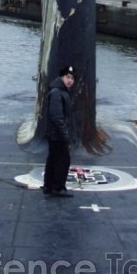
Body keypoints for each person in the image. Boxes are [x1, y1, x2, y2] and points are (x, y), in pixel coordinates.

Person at [42, 65, 76, 197]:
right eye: (68, 77)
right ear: (62, 77)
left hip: (55, 134)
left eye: (72, 78)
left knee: (53, 159)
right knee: (63, 160)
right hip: (57, 134)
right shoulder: (57, 92)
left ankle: (48, 186)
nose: (70, 80)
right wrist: (65, 134)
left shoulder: (61, 91)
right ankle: (58, 187)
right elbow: (56, 116)